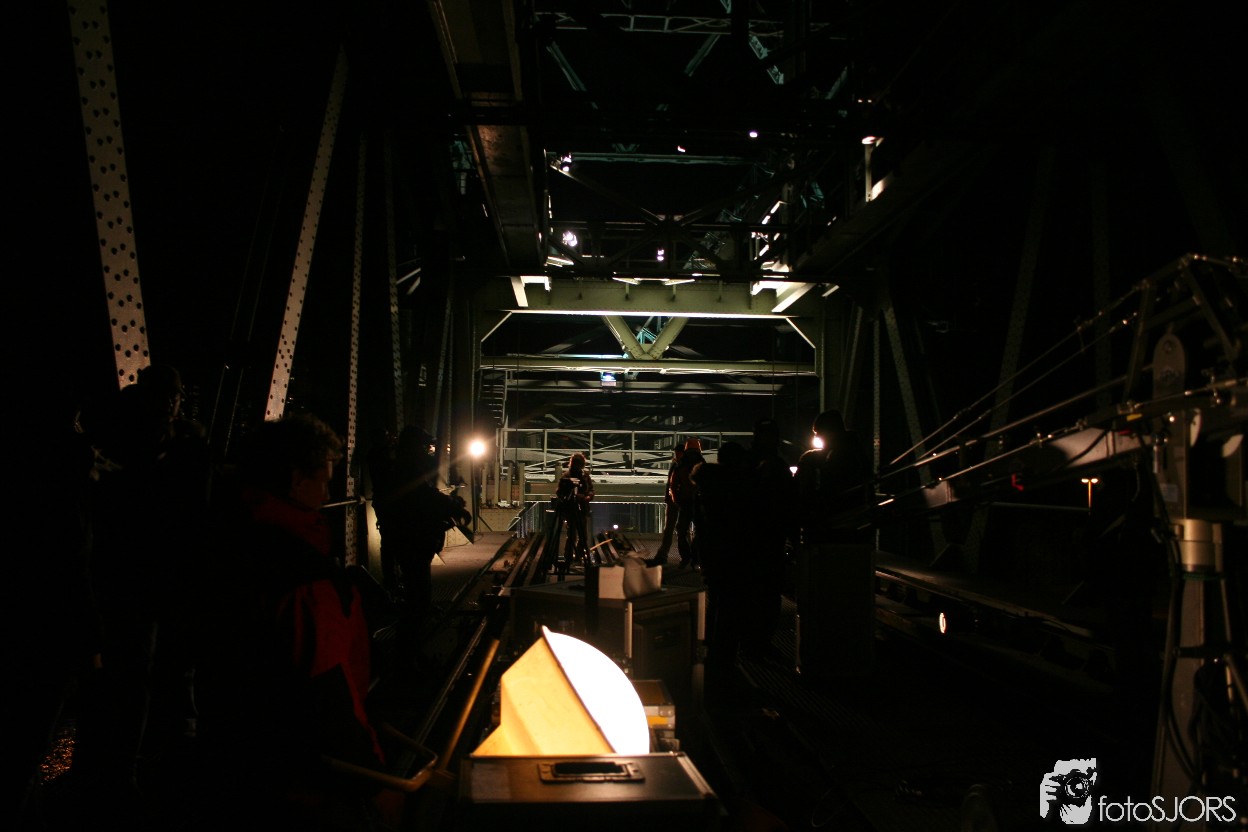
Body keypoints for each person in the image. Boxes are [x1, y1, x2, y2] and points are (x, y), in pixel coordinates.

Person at [194, 412, 389, 829]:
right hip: (305, 782)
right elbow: (328, 692)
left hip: (234, 760)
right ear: (297, 480)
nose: (328, 494)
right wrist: (372, 779)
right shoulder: (303, 577)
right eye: (324, 480)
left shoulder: (224, 543)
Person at [375, 426, 471, 640]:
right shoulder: (407, 469)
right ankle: (409, 645)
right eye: (425, 446)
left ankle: (409, 639)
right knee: (418, 595)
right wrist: (453, 506)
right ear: (414, 447)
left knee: (415, 592)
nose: (428, 450)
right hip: (412, 541)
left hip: (403, 539)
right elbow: (423, 497)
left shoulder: (399, 467)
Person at [688, 441, 756, 701]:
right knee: (730, 607)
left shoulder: (706, 486)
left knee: (718, 602)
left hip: (712, 554)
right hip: (732, 555)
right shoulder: (733, 487)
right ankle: (723, 663)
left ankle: (714, 656)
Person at [744, 418, 796, 659]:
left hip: (748, 539)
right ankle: (762, 642)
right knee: (769, 594)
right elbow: (789, 503)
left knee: (751, 593)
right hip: (771, 538)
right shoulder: (778, 465)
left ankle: (749, 643)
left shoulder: (746, 464)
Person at [795, 409, 872, 544]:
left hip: (838, 520)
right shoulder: (854, 450)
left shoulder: (837, 456)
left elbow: (830, 487)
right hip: (853, 520)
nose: (819, 439)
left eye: (820, 435)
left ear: (829, 433)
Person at [669, 438, 705, 569]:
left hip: (685, 503)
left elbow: (673, 485)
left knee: (682, 531)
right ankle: (696, 559)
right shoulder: (703, 466)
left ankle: (686, 558)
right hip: (699, 503)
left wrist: (676, 500)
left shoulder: (680, 467)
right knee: (699, 532)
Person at [647, 445, 684, 567]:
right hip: (680, 501)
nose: (676, 454)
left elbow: (671, 484)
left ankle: (665, 555)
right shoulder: (679, 465)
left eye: (677, 452)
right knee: (677, 529)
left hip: (678, 501)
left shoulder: (677, 466)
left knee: (675, 528)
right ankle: (686, 557)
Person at [556, 452, 595, 562]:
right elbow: (560, 493)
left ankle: (576, 557)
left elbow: (591, 490)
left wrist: (587, 497)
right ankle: (570, 557)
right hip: (571, 510)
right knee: (573, 535)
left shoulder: (584, 476)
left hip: (581, 509)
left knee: (581, 536)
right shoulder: (567, 477)